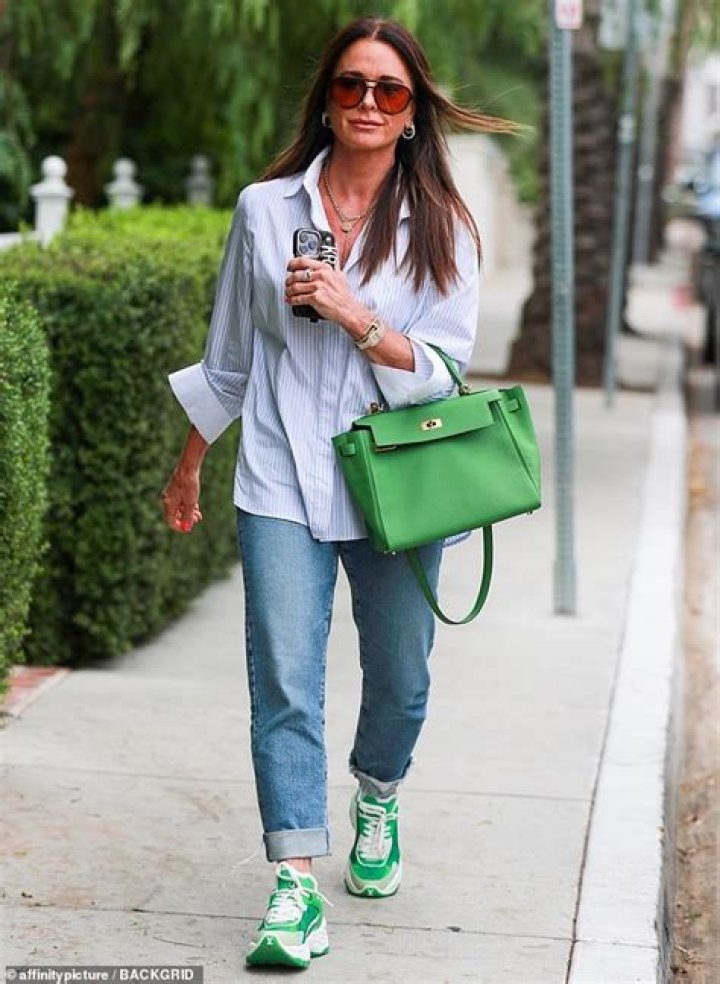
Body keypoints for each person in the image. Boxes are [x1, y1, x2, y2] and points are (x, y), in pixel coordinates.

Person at [161, 15, 516, 971]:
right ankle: (293, 888)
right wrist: (192, 457)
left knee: (400, 680)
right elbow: (231, 355)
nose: (368, 103)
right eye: (353, 86)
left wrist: (359, 318)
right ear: (327, 98)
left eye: (389, 92)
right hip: (278, 477)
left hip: (395, 487)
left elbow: (445, 371)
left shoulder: (442, 227)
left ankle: (379, 794)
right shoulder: (263, 209)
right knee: (283, 682)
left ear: (411, 115)